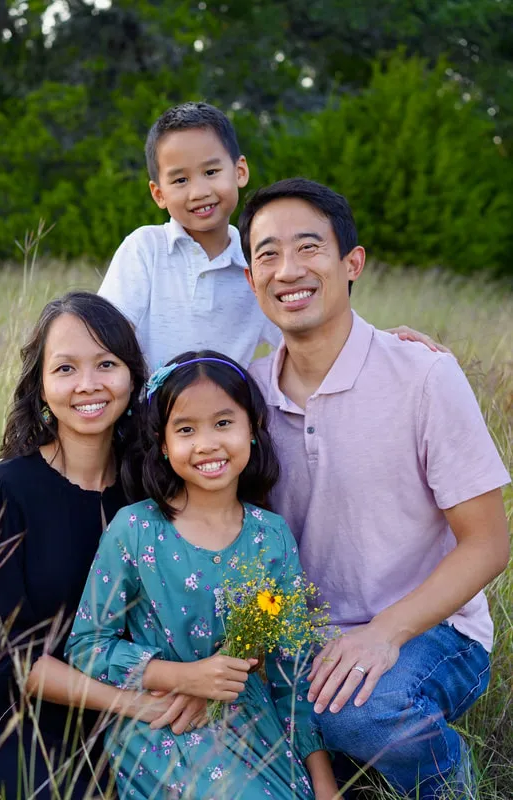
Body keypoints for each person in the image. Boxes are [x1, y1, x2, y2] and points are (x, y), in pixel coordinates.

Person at [237, 178, 511, 799]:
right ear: (252, 281)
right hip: (298, 636)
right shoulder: (243, 398)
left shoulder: (423, 376)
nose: (288, 271)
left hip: (430, 632)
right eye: (267, 255)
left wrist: (384, 632)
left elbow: (489, 544)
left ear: (351, 262)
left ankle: (447, 780)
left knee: (356, 710)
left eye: (309, 248)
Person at [0, 292, 206, 799]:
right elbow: (4, 658)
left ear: (132, 378)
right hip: (19, 721)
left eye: (106, 364)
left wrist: (188, 689)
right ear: (41, 387)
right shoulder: (4, 491)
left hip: (142, 709)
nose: (87, 385)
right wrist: (132, 705)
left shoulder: (154, 492)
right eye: (65, 368)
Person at [65, 352, 339, 800]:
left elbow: (292, 674)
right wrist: (179, 675)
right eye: (186, 429)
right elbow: (87, 647)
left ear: (252, 428)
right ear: (163, 443)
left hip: (252, 721)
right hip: (161, 722)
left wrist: (324, 785)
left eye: (224, 423)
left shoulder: (271, 537)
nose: (207, 443)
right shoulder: (136, 530)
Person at [98, 101, 440, 371]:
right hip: (145, 426)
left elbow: (316, 336)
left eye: (211, 171)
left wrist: (383, 341)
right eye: (180, 180)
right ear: (158, 194)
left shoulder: (260, 268)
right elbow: (105, 336)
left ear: (240, 171)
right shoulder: (145, 248)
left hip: (221, 431)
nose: (199, 191)